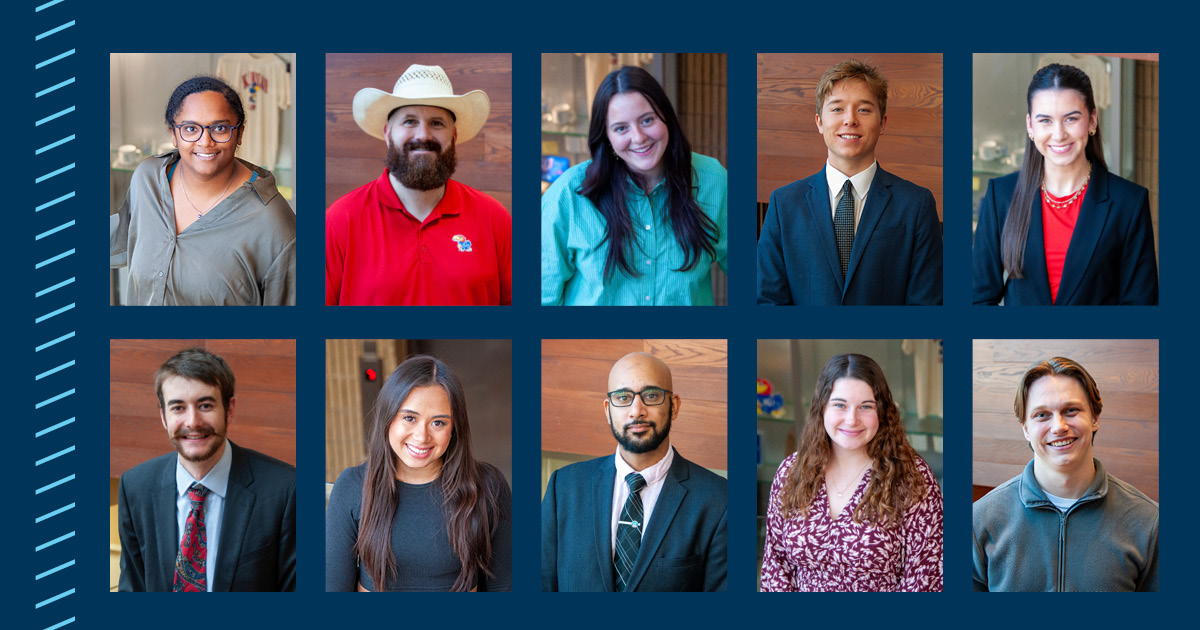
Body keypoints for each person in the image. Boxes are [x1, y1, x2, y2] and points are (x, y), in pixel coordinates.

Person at [757, 59, 942, 306]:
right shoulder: (784, 203)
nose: (850, 120)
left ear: (883, 123)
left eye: (864, 110)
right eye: (837, 109)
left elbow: (927, 304)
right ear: (819, 122)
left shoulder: (916, 204)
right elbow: (768, 300)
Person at [325, 64, 512, 305]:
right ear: (387, 133)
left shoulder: (494, 217)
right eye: (410, 121)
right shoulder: (339, 220)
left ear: (453, 136)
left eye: (437, 123)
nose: (423, 135)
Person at [973, 63, 1158, 305]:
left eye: (1071, 118)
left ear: (1092, 120)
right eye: (1045, 121)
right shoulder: (1002, 196)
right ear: (1030, 125)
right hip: (1017, 343)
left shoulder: (1129, 202)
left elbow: (1140, 309)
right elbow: (977, 300)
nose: (1058, 134)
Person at [541, 66, 727, 306]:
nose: (639, 137)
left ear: (667, 118)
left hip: (683, 343)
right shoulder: (567, 194)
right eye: (621, 128)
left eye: (647, 120)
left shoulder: (713, 179)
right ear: (606, 136)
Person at [541, 352, 727, 591]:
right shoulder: (564, 487)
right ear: (608, 410)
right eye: (623, 397)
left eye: (651, 395)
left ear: (674, 406)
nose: (636, 410)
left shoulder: (718, 499)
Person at [326, 355, 512, 591]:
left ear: (454, 428)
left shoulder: (489, 485)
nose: (422, 437)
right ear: (388, 417)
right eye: (409, 418)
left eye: (438, 423)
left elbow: (505, 586)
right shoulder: (353, 486)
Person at [117, 348, 296, 591]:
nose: (192, 422)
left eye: (205, 405)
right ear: (163, 416)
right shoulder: (135, 487)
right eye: (178, 408)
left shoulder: (285, 490)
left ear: (229, 410)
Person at [972, 357, 1158, 591]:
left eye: (1071, 410)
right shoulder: (979, 521)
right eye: (1042, 414)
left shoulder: (1149, 522)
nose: (1058, 426)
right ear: (1026, 429)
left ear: (1095, 418)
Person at [761, 354, 943, 592]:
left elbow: (926, 577)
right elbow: (775, 568)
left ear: (883, 412)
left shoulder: (912, 477)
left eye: (865, 407)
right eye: (840, 405)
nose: (851, 419)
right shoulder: (790, 471)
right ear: (822, 407)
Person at [110, 76, 296, 306]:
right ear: (173, 134)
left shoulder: (275, 223)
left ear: (239, 134)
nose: (205, 141)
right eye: (190, 128)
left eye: (220, 128)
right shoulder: (148, 178)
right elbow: (126, 234)